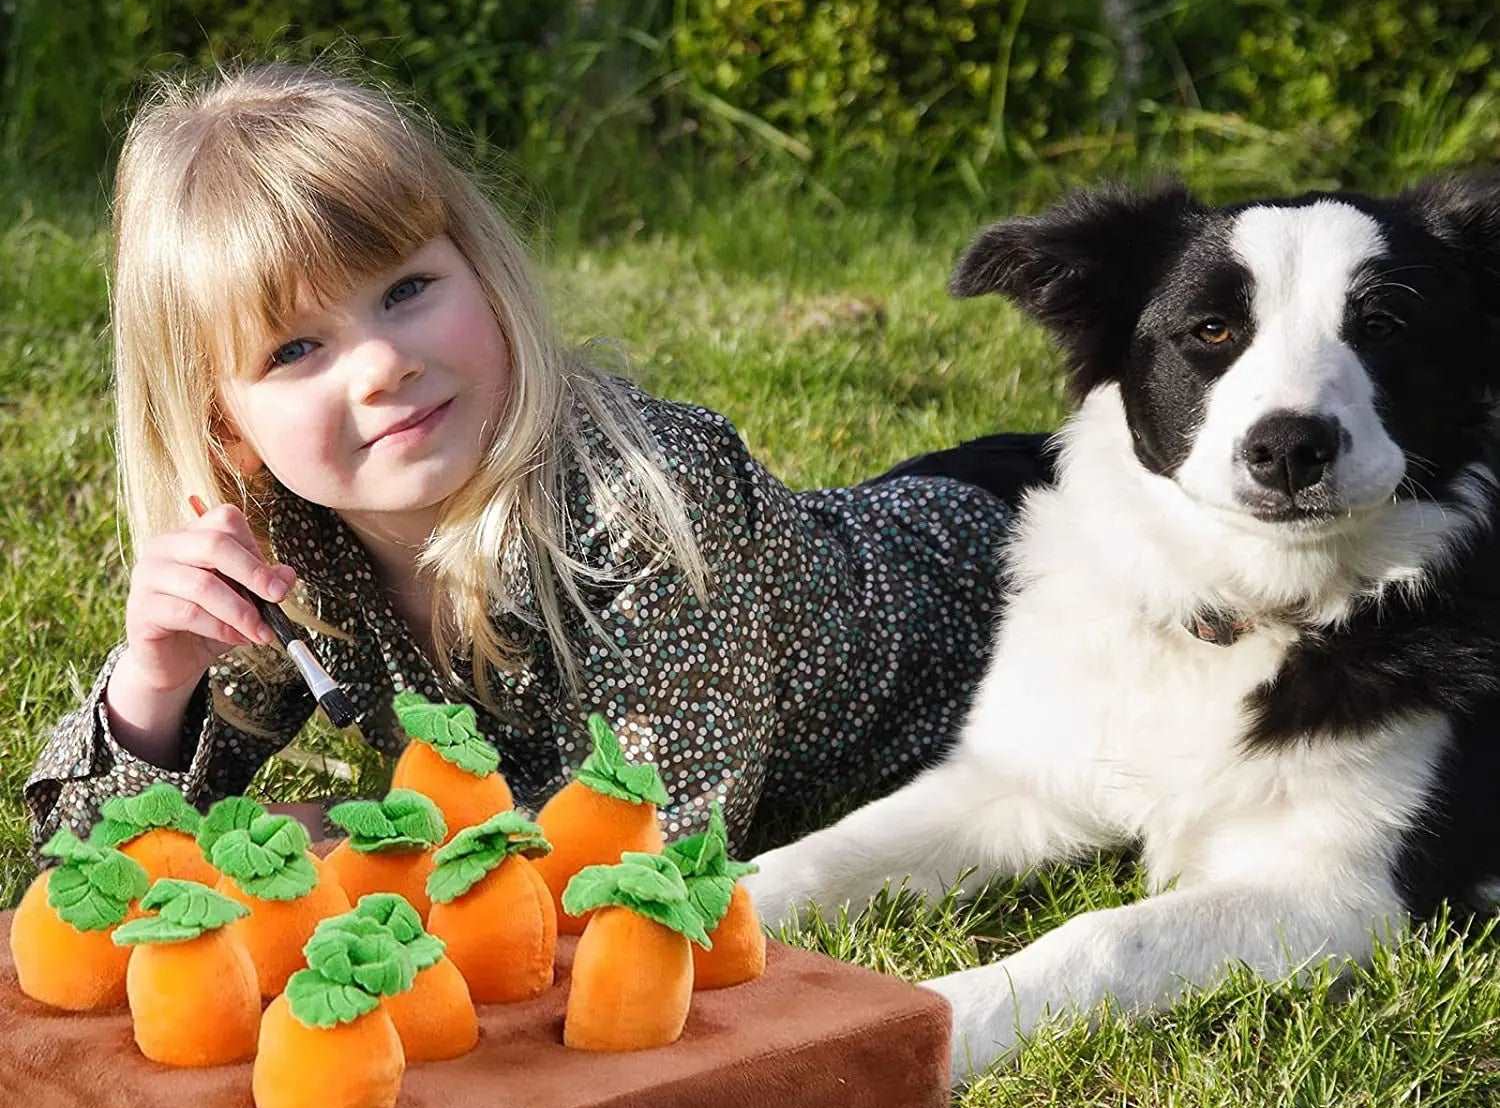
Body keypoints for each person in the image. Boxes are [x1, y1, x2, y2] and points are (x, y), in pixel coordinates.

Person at [24, 61, 1053, 859]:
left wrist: (367, 835)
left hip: (1018, 560)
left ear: (481, 271)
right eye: (296, 350)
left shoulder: (644, 502)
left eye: (407, 289)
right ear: (227, 427)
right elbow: (97, 863)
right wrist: (152, 686)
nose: (381, 364)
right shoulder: (285, 555)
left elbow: (658, 851)